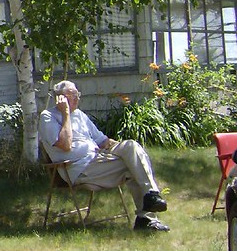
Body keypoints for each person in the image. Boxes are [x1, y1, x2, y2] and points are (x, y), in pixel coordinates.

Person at [38, 80, 170, 232]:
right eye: (72, 95)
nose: (77, 98)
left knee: (132, 148)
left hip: (98, 160)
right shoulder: (48, 117)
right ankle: (146, 218)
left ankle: (151, 196)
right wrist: (65, 114)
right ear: (60, 98)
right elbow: (66, 145)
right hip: (78, 168)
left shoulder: (80, 115)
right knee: (133, 167)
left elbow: (103, 141)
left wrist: (130, 150)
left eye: (77, 94)